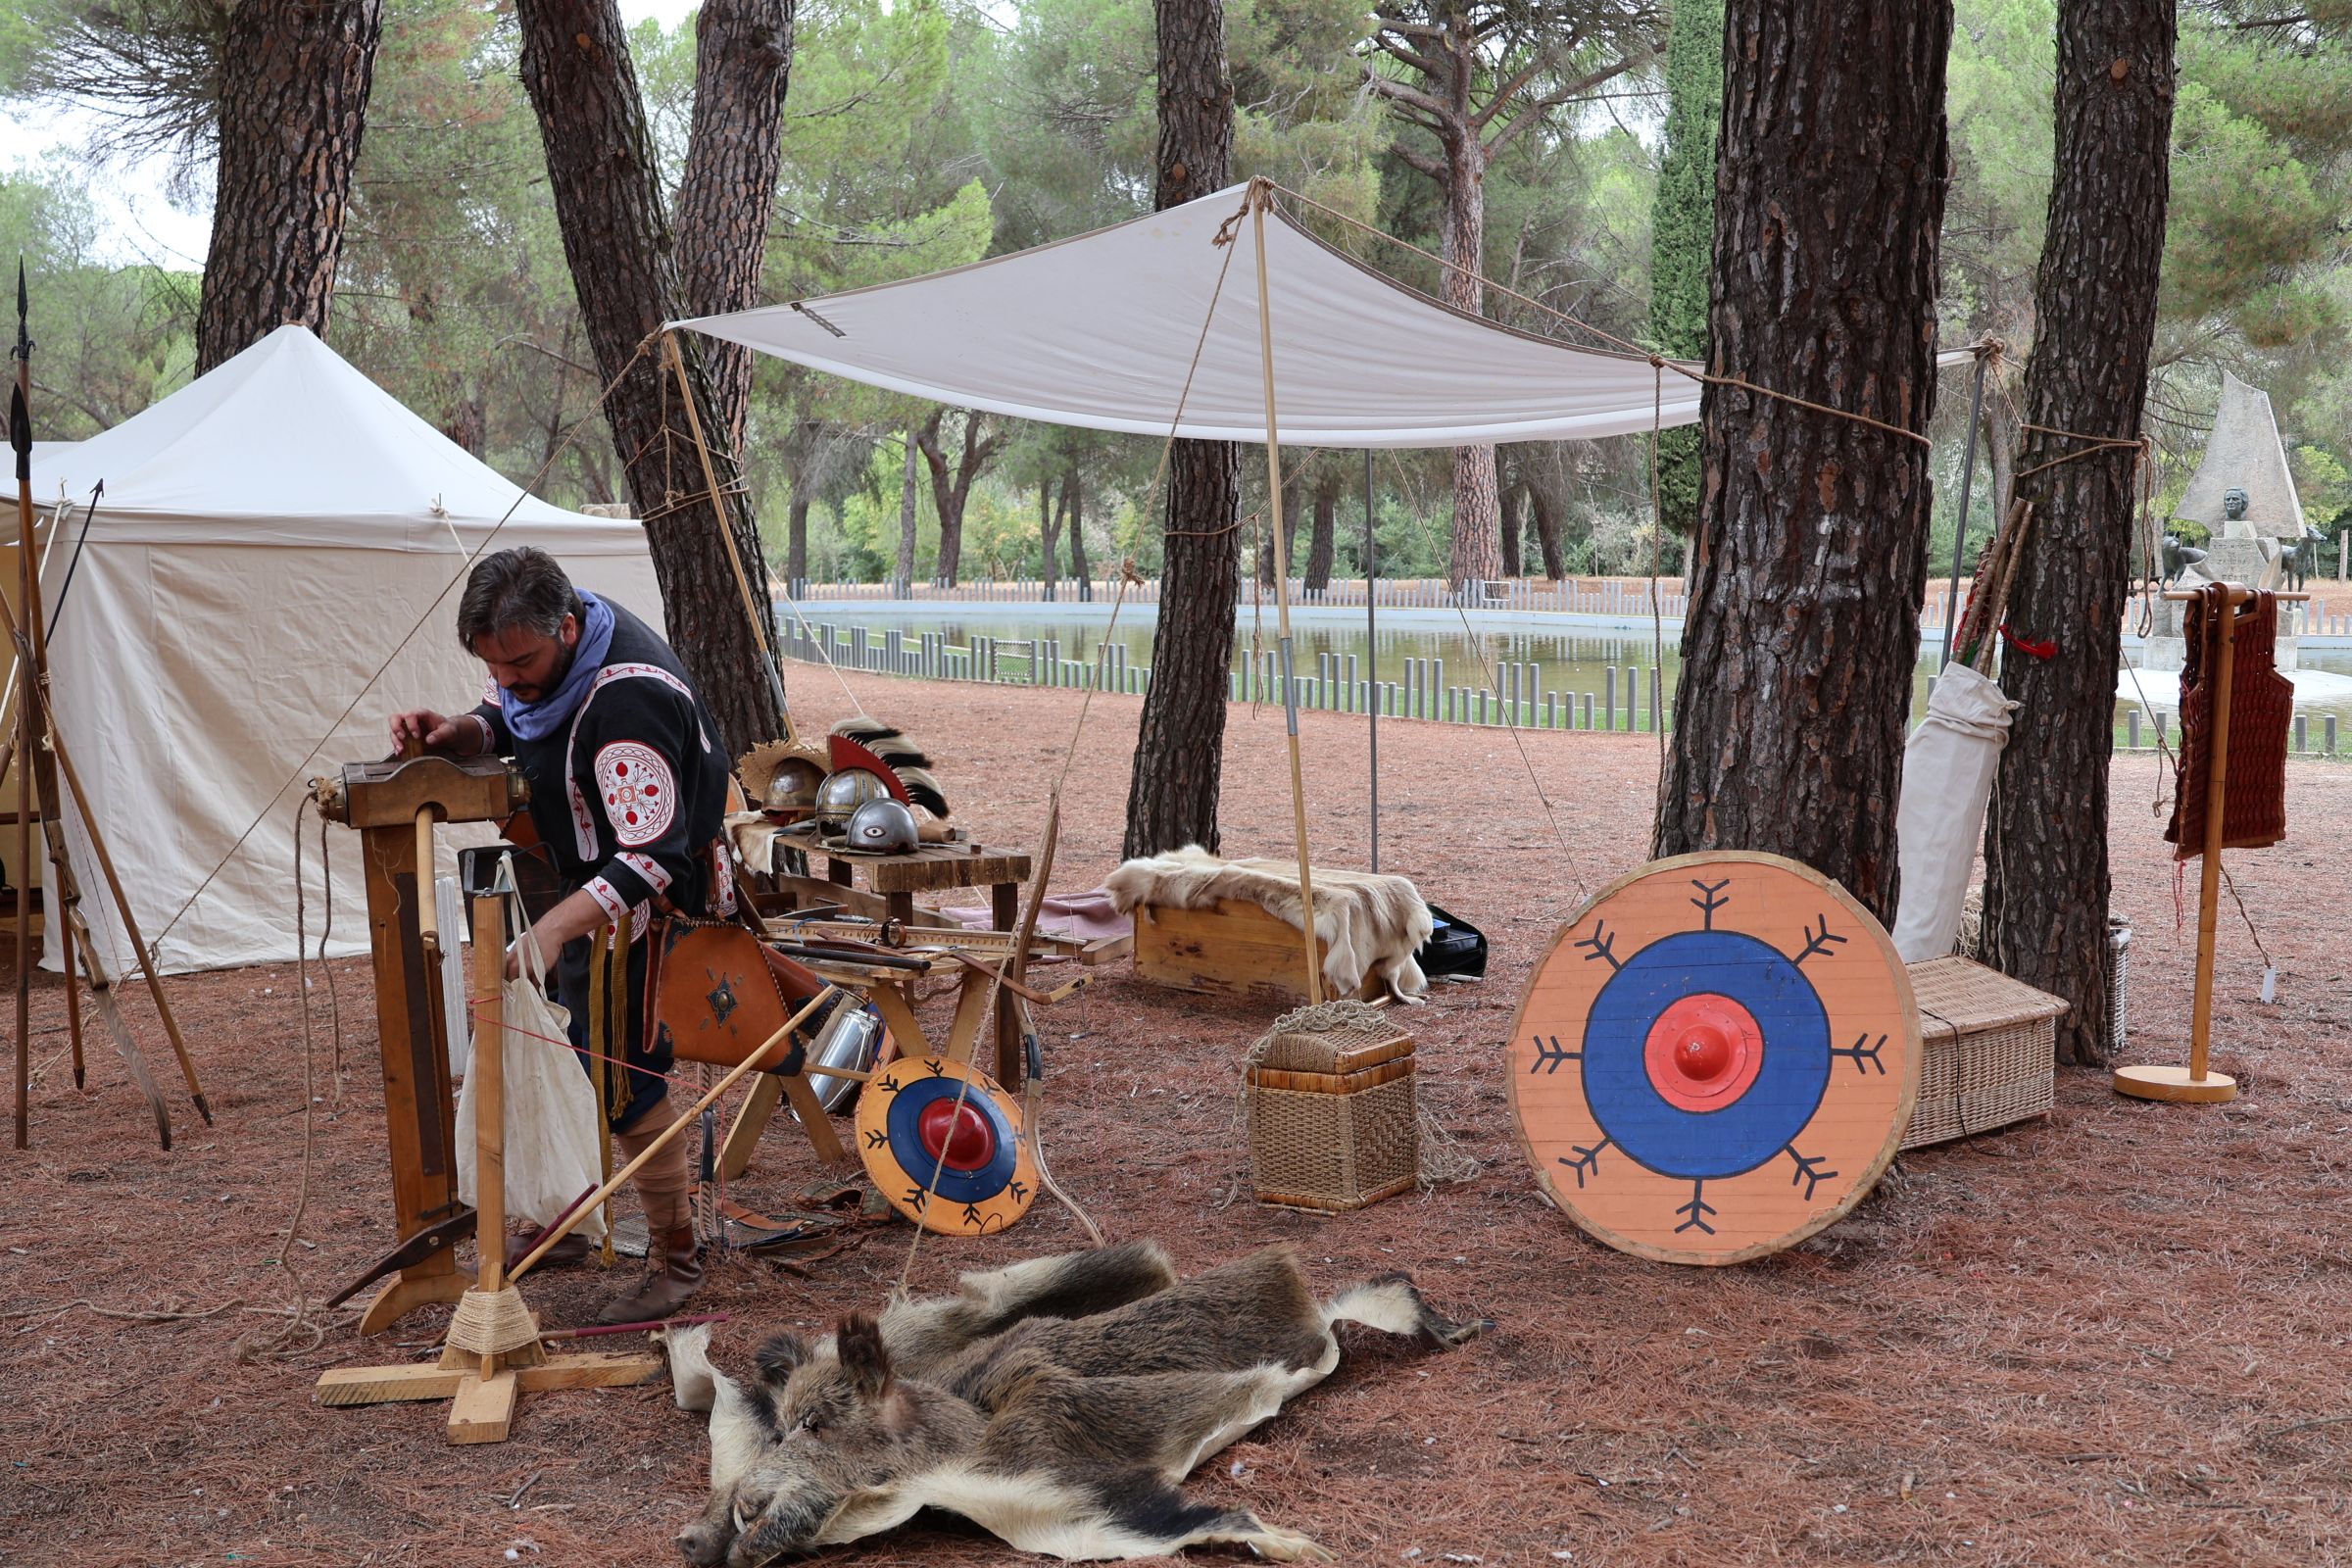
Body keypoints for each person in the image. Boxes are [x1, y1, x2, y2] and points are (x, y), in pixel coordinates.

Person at [392, 547, 733, 1322]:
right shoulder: (538, 645)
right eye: (495, 666)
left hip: (643, 904)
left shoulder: (627, 704)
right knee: (567, 1056)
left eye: (521, 662)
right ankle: (571, 1220)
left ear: (570, 628)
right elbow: (513, 714)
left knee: (622, 1074)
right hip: (578, 882)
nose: (508, 678)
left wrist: (549, 932)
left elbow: (650, 858)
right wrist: (463, 731)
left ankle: (678, 1260)